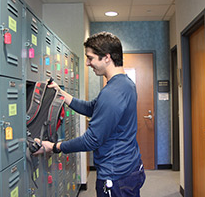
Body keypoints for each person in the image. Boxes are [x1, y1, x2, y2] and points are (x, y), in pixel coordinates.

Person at [34, 32, 145, 197]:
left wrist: (55, 147)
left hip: (115, 174)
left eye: (90, 58)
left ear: (106, 57)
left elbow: (92, 139)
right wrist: (62, 94)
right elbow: (93, 108)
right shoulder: (125, 84)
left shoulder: (112, 93)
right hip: (129, 166)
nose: (87, 63)